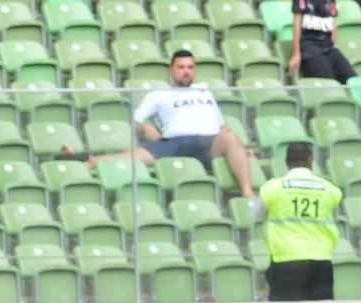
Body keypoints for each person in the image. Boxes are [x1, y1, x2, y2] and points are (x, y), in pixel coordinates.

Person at [74, 52, 256, 200]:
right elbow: (136, 120)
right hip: (174, 142)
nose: (186, 71)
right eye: (181, 67)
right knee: (137, 157)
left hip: (207, 142)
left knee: (230, 137)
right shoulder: (159, 94)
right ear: (171, 70)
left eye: (190, 67)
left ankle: (247, 192)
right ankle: (93, 160)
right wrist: (146, 128)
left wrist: (240, 147)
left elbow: (219, 124)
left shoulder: (204, 90)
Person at [259, 143, 342, 301]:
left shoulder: (271, 188)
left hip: (285, 259)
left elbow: (256, 215)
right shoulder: (331, 190)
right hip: (321, 259)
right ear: (310, 160)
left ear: (286, 162)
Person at [289, 0, 356, 84]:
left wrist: (334, 44)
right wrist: (296, 53)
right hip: (309, 46)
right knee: (328, 81)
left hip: (328, 46)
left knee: (353, 80)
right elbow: (297, 21)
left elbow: (333, 19)